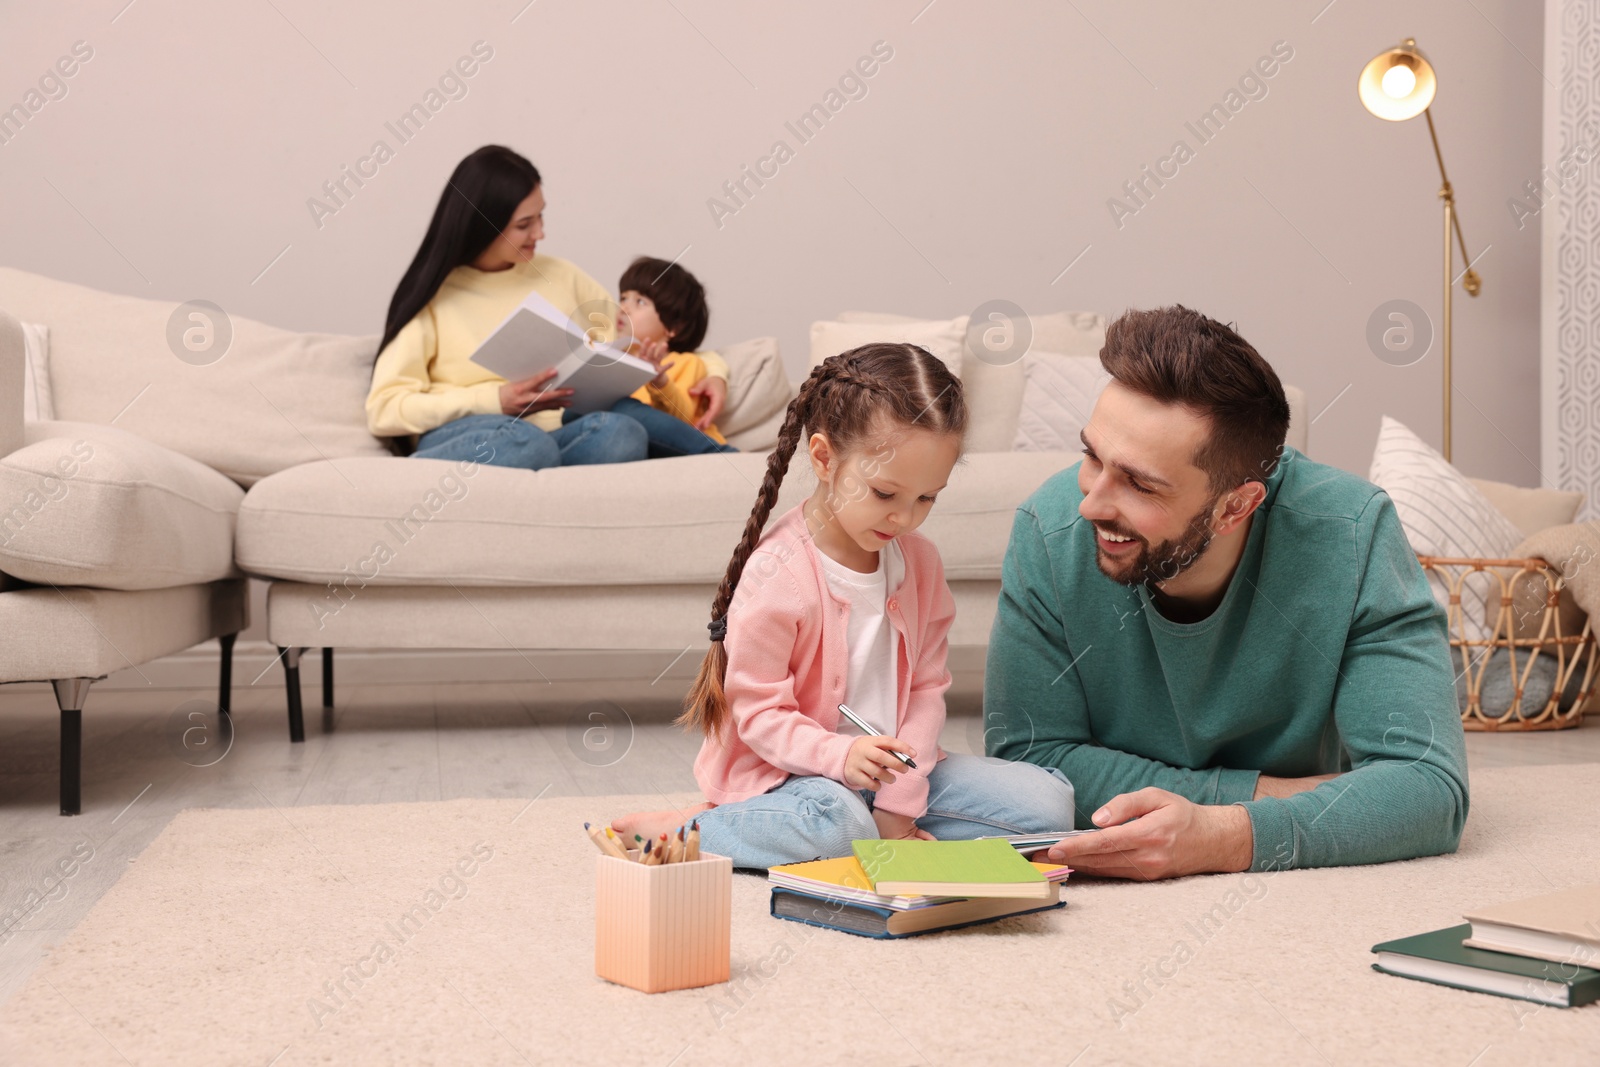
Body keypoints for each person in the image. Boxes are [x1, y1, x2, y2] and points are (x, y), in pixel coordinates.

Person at [985, 305, 1469, 880]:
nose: (1090, 503)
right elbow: (1028, 761)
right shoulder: (1048, 526)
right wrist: (1264, 793)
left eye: (1140, 483)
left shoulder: (1353, 532)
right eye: (1092, 456)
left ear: (1236, 506)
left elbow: (1428, 788)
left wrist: (1221, 838)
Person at [613, 343, 1077, 868]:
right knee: (838, 828)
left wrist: (901, 805)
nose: (904, 518)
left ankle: (846, 831)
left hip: (894, 775)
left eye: (927, 498)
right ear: (824, 458)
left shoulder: (919, 563)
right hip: (796, 775)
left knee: (1050, 805)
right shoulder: (778, 575)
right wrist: (841, 757)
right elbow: (761, 715)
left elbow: (926, 689)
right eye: (884, 493)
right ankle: (694, 829)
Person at [364, 145, 730, 468]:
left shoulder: (561, 275)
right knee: (525, 443)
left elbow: (641, 336)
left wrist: (714, 372)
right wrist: (495, 399)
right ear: (481, 225)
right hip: (478, 431)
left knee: (623, 432)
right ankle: (427, 468)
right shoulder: (433, 298)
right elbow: (385, 409)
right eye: (525, 224)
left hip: (562, 434)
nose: (540, 233)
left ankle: (734, 468)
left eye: (541, 217)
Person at [608, 256, 739, 458]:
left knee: (623, 408)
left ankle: (731, 457)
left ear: (673, 327)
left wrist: (660, 381)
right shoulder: (615, 359)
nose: (624, 308)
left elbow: (682, 417)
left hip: (684, 446)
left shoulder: (686, 362)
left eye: (640, 302)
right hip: (635, 442)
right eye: (623, 298)